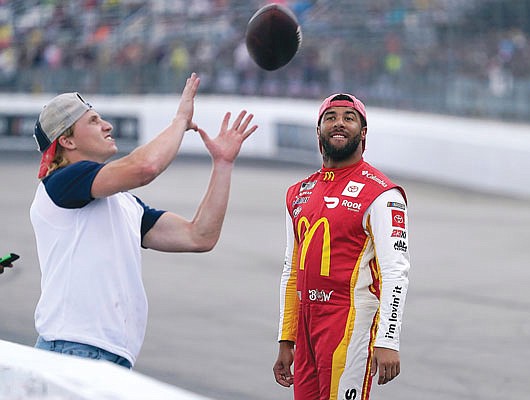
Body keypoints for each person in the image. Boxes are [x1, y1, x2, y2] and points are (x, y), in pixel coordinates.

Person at [30, 73, 257, 369]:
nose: (107, 125)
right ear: (67, 140)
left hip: (104, 355)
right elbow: (145, 167)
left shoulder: (122, 203)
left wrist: (223, 165)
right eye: (93, 121)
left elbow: (198, 236)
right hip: (74, 350)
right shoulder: (60, 182)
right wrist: (180, 121)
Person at [273, 94, 410, 399]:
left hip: (349, 321)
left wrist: (389, 339)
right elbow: (291, 270)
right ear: (319, 131)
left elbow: (395, 271)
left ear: (363, 133)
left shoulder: (383, 194)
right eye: (330, 117)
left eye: (349, 118)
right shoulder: (298, 192)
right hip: (307, 324)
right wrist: (286, 338)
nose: (339, 123)